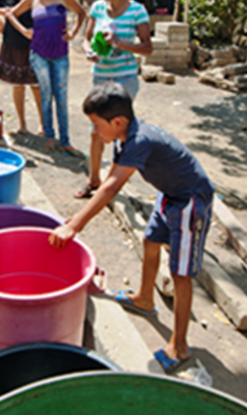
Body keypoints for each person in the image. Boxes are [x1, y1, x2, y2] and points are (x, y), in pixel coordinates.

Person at [50, 82, 214, 373]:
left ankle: (180, 346)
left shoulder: (140, 140)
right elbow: (111, 174)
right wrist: (81, 209)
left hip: (189, 202)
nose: (94, 131)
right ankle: (144, 298)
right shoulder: (124, 137)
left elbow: (113, 186)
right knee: (150, 241)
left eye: (96, 125)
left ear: (117, 122)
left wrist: (75, 224)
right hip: (170, 195)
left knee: (180, 274)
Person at [76, 0, 152, 198]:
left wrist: (118, 42)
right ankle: (93, 180)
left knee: (121, 131)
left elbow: (147, 48)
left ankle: (112, 184)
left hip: (125, 80)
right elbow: (86, 40)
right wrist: (89, 51)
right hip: (101, 77)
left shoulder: (137, 11)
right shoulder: (98, 8)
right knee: (96, 129)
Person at [3, 0, 87, 156]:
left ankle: (65, 140)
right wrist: (25, 31)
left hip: (61, 54)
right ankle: (49, 137)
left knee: (62, 97)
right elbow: (11, 14)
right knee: (46, 96)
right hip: (38, 54)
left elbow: (81, 13)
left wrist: (73, 33)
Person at [0, 0, 44, 135]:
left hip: (34, 47)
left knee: (37, 86)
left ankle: (43, 124)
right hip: (12, 46)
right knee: (18, 86)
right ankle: (22, 124)